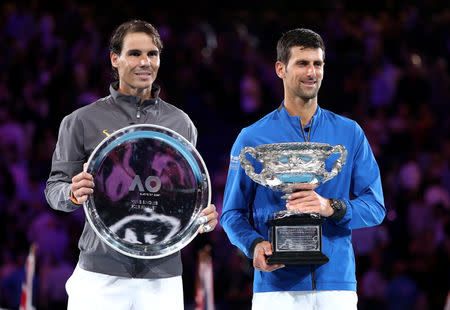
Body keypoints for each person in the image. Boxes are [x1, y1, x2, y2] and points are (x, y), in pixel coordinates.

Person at [45, 19, 218, 310]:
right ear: (115, 59)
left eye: (152, 54)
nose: (145, 62)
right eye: (135, 53)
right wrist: (71, 193)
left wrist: (200, 215)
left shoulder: (181, 124)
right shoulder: (81, 121)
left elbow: (182, 193)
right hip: (100, 273)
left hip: (162, 278)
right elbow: (54, 189)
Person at [221, 28, 386, 310]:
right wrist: (254, 245)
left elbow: (375, 207)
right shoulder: (251, 138)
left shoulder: (350, 133)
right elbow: (231, 213)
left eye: (317, 64)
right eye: (302, 63)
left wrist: (331, 206)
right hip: (275, 287)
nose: (312, 72)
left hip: (336, 286)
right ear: (280, 69)